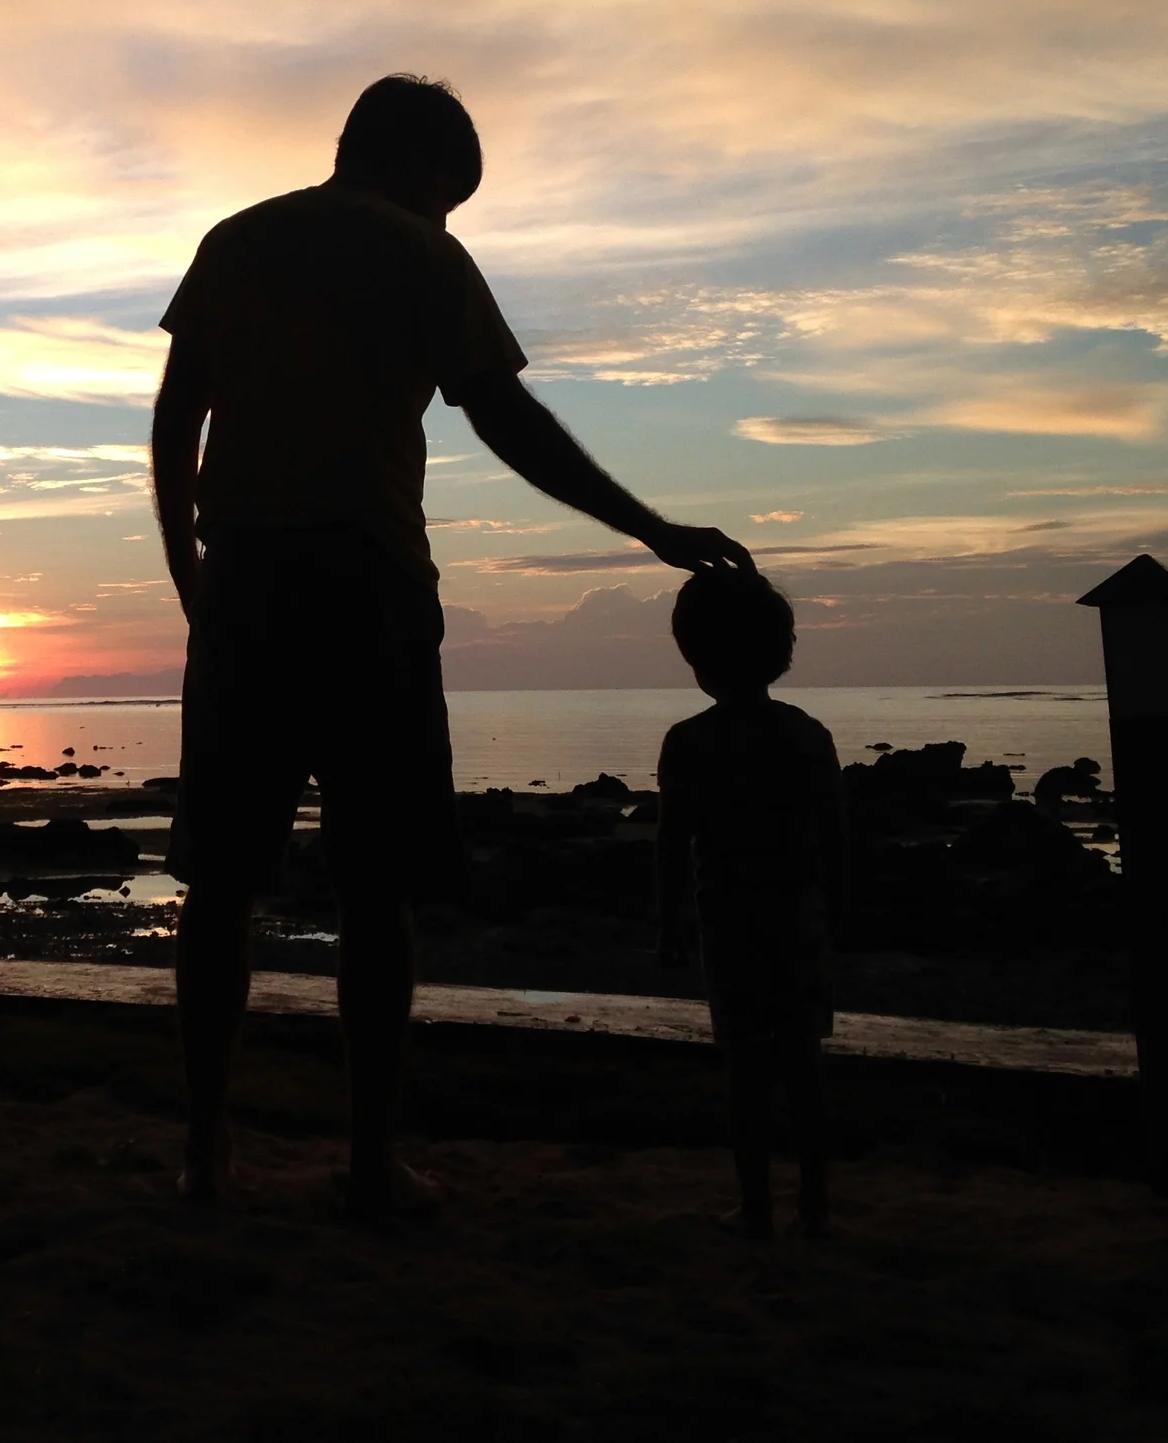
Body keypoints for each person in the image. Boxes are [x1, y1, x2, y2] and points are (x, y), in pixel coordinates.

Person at [151, 73, 752, 1215]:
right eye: (450, 197)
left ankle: (205, 1152)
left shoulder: (234, 239)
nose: (448, 221)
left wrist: (186, 558)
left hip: (244, 584)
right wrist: (649, 527)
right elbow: (508, 419)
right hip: (369, 587)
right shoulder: (424, 256)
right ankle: (371, 1162)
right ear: (424, 165)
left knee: (219, 882)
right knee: (378, 891)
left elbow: (180, 408)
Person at [653, 568, 845, 1240]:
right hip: (799, 920)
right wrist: (840, 917)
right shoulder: (808, 736)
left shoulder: (689, 742)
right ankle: (815, 1202)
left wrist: (667, 923)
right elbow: (835, 838)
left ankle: (758, 1205)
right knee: (803, 1063)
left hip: (729, 923)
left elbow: (673, 843)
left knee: (747, 1069)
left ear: (697, 658)